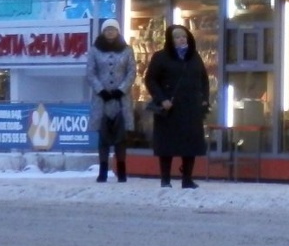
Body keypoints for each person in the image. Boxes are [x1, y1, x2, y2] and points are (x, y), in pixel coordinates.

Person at [144, 24, 209, 189]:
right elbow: (151, 80)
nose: (181, 39)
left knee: (190, 144)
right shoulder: (161, 57)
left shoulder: (194, 57)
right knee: (167, 144)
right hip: (170, 109)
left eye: (184, 36)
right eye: (178, 37)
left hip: (191, 108)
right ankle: (165, 179)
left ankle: (187, 179)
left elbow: (204, 79)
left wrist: (204, 99)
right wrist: (161, 98)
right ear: (170, 40)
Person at [86, 18, 135, 183]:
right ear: (103, 32)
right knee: (103, 137)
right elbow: (90, 73)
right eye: (107, 30)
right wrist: (101, 90)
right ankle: (103, 171)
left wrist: (122, 90)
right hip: (102, 100)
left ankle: (122, 171)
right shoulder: (94, 50)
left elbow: (132, 72)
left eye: (113, 29)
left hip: (122, 99)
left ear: (118, 31)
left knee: (121, 137)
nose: (110, 32)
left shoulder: (127, 50)